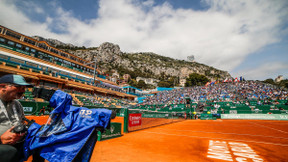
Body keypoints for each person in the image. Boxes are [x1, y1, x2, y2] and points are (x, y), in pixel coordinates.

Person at [0, 74, 44, 162]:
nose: (22, 91)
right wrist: (0, 139)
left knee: (42, 140)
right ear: (3, 87)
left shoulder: (17, 104)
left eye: (24, 88)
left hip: (18, 140)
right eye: (18, 87)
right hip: (3, 143)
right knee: (10, 151)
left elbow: (22, 121)